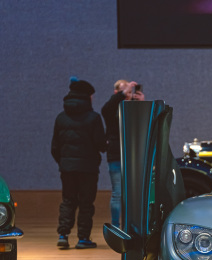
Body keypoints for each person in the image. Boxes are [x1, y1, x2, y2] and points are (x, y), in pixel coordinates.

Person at [51, 78, 106, 249]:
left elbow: (54, 147)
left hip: (67, 168)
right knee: (86, 203)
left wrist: (64, 162)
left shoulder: (61, 118)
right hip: (88, 168)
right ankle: (83, 238)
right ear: (88, 96)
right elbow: (101, 144)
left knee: (68, 200)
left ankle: (63, 235)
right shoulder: (94, 118)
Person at [101, 80, 143, 229]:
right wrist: (123, 94)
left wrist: (141, 103)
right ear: (116, 93)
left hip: (133, 156)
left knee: (133, 195)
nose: (128, 94)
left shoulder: (133, 109)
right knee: (117, 193)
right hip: (116, 155)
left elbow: (145, 123)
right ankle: (115, 226)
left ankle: (131, 226)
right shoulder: (112, 109)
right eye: (124, 91)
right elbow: (106, 109)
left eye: (130, 91)